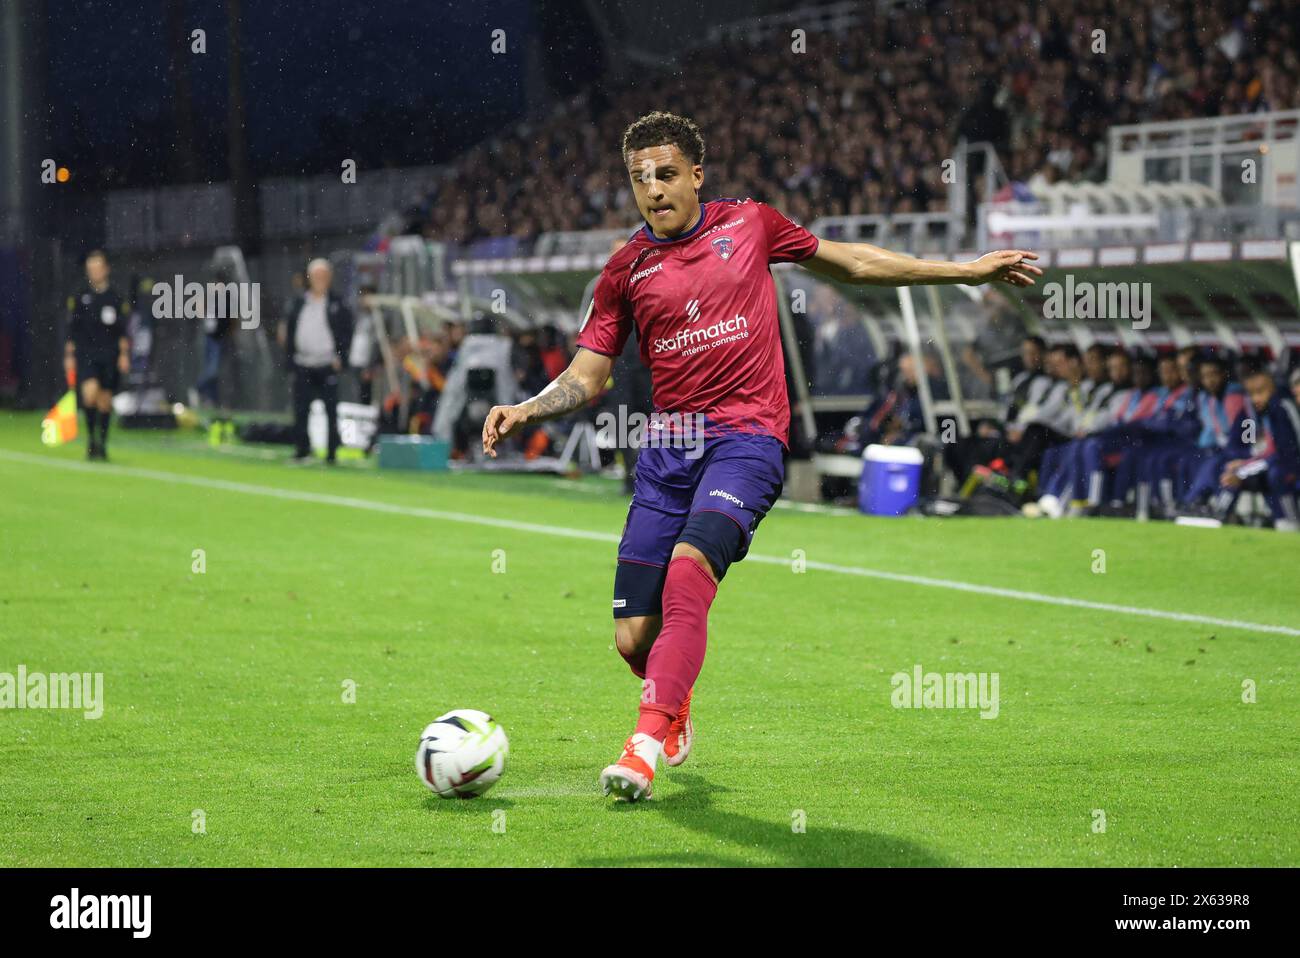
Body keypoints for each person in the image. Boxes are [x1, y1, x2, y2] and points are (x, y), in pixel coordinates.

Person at [480, 111, 1040, 801]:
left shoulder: (749, 225)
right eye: (638, 178)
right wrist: (527, 407)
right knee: (633, 640)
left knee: (689, 578)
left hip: (747, 442)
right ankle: (673, 700)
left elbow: (855, 262)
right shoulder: (625, 269)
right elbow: (588, 377)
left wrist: (964, 271)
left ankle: (644, 741)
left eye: (665, 173)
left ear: (696, 175)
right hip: (667, 454)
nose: (653, 189)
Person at [278, 258, 353, 464]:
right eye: (316, 276)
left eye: (323, 276)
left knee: (331, 410)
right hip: (303, 363)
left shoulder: (337, 303)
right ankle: (302, 449)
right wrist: (290, 357)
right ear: (309, 278)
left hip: (327, 364)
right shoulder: (298, 302)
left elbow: (347, 333)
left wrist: (341, 358)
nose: (320, 280)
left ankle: (331, 453)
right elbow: (289, 330)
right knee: (301, 410)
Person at [64, 251, 131, 461]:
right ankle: (91, 438)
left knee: (104, 400)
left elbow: (122, 331)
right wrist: (69, 356)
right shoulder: (80, 295)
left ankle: (101, 443)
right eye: (90, 268)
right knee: (90, 395)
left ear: (106, 269)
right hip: (86, 354)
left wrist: (123, 354)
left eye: (97, 267)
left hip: (109, 354)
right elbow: (72, 329)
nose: (94, 271)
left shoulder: (116, 297)